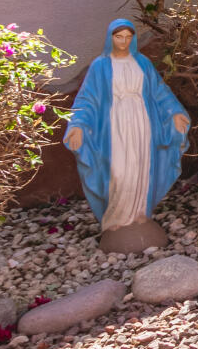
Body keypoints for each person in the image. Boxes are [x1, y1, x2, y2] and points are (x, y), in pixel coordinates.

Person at [64, 20, 189, 233]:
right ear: (110, 38)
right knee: (119, 170)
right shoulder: (100, 66)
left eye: (128, 37)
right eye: (118, 36)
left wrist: (175, 113)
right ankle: (115, 218)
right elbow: (87, 99)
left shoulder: (142, 63)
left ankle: (140, 213)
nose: (123, 41)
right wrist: (77, 125)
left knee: (141, 167)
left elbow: (159, 91)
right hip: (114, 125)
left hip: (142, 122)